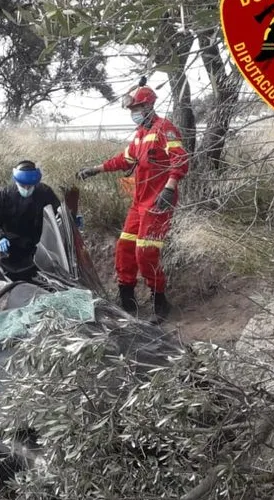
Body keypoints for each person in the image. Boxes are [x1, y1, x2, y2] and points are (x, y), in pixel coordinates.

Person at [77, 81, 189, 323]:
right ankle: (127, 299)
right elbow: (125, 160)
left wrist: (169, 188)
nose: (133, 114)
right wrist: (96, 169)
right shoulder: (140, 135)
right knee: (125, 249)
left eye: (136, 108)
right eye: (131, 110)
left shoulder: (164, 129)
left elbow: (180, 159)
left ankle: (161, 301)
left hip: (158, 202)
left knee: (145, 253)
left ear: (148, 106)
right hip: (138, 203)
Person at [0, 160, 63, 281]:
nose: (26, 189)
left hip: (37, 250)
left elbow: (58, 213)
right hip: (11, 251)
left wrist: (69, 218)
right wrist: (0, 238)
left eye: (30, 186)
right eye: (23, 186)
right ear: (16, 181)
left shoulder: (44, 192)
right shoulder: (5, 195)